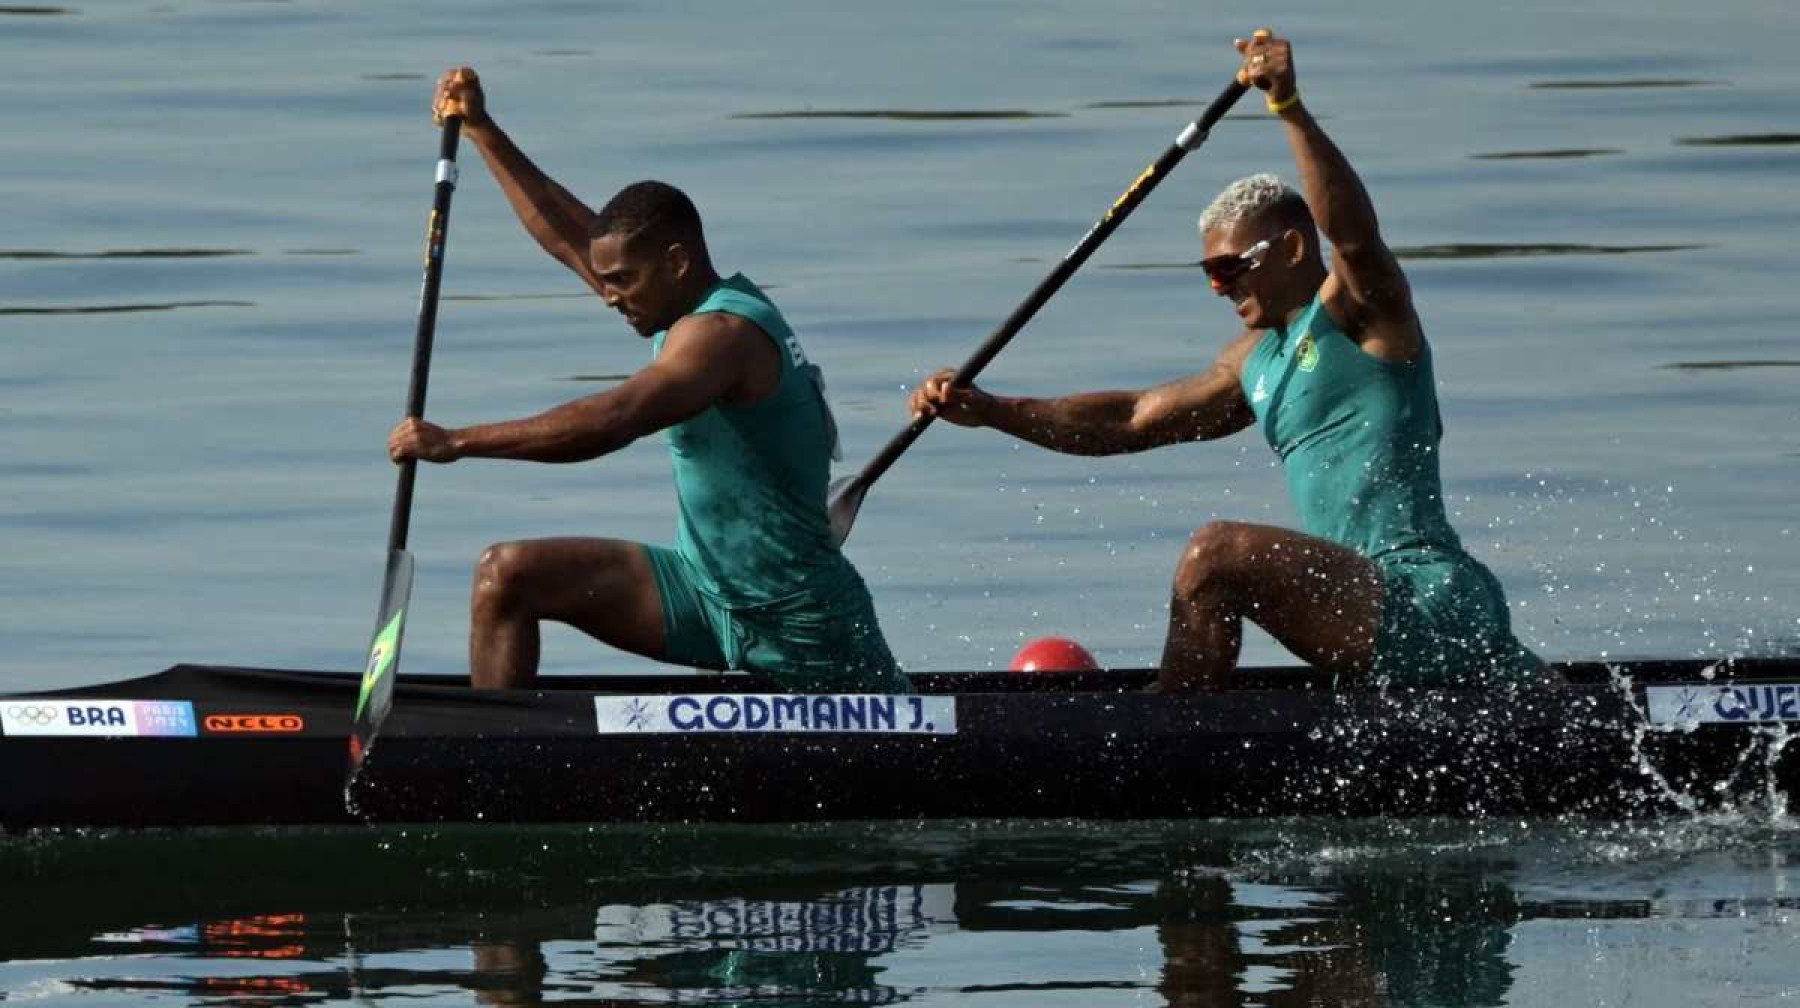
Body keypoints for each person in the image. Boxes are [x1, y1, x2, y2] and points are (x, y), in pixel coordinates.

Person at [909, 30, 1546, 693]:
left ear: (1294, 250)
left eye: (1231, 268)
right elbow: (1129, 421)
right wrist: (992, 411)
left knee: (1217, 555)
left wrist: (1290, 106)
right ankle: (1184, 724)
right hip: (1364, 607)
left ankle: (1161, 741)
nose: (1221, 288)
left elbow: (1353, 233)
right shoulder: (1253, 363)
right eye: (1209, 274)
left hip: (1428, 600)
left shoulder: (1363, 313)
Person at [390, 68, 907, 693]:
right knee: (507, 575)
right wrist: (481, 131)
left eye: (622, 282)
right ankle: (490, 763)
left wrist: (458, 442)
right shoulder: (667, 302)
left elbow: (615, 419)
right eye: (605, 281)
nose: (608, 297)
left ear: (677, 262)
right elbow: (566, 237)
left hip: (802, 624)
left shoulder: (724, 336)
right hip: (701, 592)